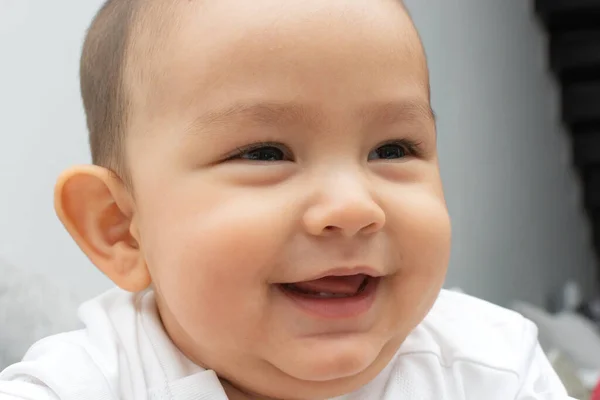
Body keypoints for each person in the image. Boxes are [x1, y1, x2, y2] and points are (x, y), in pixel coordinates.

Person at [0, 0, 573, 399]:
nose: (352, 206)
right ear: (122, 228)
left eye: (392, 148)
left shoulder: (491, 368)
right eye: (265, 154)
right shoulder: (85, 384)